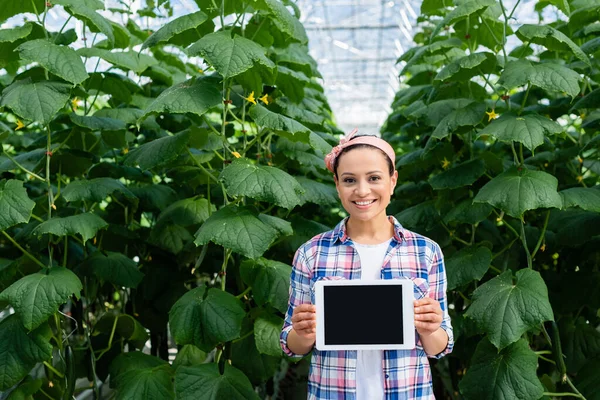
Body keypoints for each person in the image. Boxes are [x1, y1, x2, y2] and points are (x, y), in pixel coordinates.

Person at [280, 129, 453, 399]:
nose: (362, 191)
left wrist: (431, 327)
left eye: (374, 178)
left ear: (393, 181)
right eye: (349, 180)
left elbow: (439, 347)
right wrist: (302, 332)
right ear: (337, 184)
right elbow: (293, 346)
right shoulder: (311, 253)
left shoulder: (425, 251)